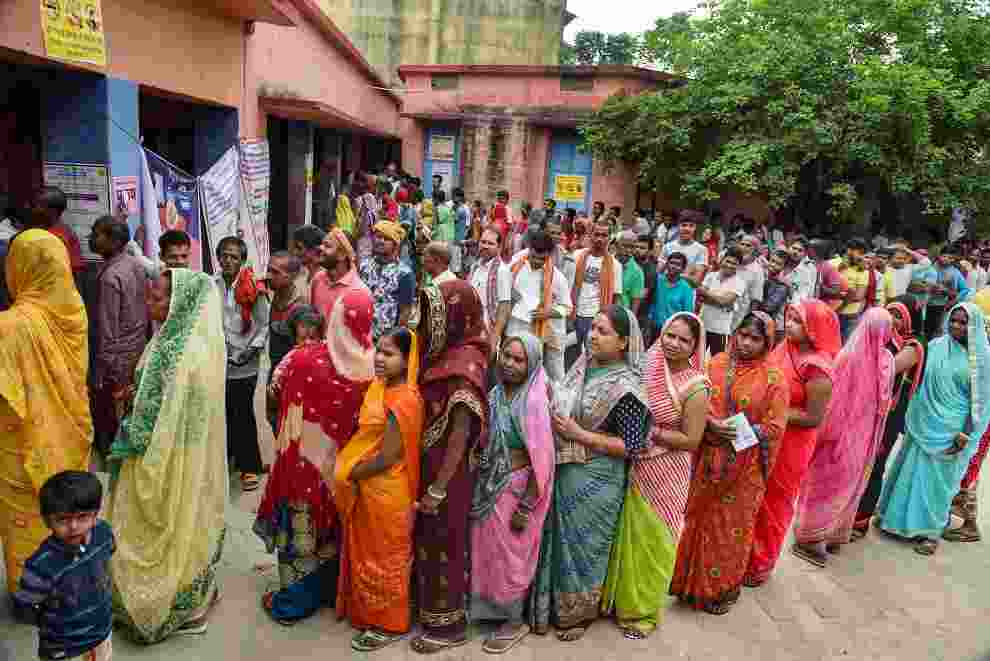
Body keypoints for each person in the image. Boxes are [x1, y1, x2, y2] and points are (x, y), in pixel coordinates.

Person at [108, 270, 227, 641]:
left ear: (179, 303)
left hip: (165, 457)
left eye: (157, 298)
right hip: (166, 451)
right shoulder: (169, 340)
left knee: (168, 522)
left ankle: (168, 605)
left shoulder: (183, 353)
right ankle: (184, 596)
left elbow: (159, 417)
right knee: (180, 522)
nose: (149, 303)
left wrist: (129, 431)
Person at [531, 306, 650, 641]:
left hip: (598, 480)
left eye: (603, 331)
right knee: (558, 542)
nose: (592, 336)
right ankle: (549, 606)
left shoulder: (627, 387)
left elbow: (631, 446)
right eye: (593, 328)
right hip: (566, 469)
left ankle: (579, 614)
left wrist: (578, 434)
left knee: (586, 547)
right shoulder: (582, 365)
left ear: (624, 342)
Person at [255, 289, 374, 624]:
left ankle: (292, 603)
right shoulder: (374, 364)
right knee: (334, 532)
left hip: (302, 462)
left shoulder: (301, 357)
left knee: (300, 530)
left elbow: (274, 394)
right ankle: (332, 590)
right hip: (345, 468)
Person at [670, 312, 788, 615]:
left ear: (767, 343)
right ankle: (687, 584)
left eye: (756, 338)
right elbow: (694, 404)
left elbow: (775, 427)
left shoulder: (774, 378)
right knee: (698, 520)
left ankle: (721, 590)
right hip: (709, 459)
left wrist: (735, 431)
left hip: (746, 470)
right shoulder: (716, 363)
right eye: (743, 334)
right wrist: (710, 424)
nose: (746, 343)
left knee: (729, 528)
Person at [602, 312, 709, 637]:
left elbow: (691, 440)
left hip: (667, 471)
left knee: (654, 540)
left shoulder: (695, 386)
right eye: (670, 335)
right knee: (627, 533)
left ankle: (643, 613)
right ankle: (620, 602)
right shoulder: (648, 363)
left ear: (695, 346)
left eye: (684, 340)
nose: (674, 344)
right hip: (635, 464)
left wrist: (652, 433)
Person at [0, 230, 92, 596]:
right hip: (70, 434)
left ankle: (30, 595)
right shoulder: (74, 310)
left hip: (21, 445)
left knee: (29, 519)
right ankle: (75, 581)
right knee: (72, 512)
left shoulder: (9, 326)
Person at [410, 280, 488, 654]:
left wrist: (439, 486)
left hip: (449, 474)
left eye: (432, 316)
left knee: (444, 542)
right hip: (430, 464)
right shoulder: (445, 352)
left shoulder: (465, 364)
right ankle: (426, 609)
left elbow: (460, 431)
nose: (424, 325)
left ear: (455, 317)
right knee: (426, 539)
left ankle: (448, 625)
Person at [876, 302, 990, 556]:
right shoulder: (936, 346)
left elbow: (979, 401)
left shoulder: (981, 360)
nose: (956, 326)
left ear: (974, 326)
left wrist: (965, 433)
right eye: (953, 320)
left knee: (938, 482)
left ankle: (930, 532)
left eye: (963, 322)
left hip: (953, 429)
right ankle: (894, 520)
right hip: (924, 419)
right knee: (910, 470)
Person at [335, 327, 423, 651]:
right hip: (375, 490)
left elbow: (388, 456)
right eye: (379, 351)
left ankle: (391, 624)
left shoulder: (404, 400)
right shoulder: (382, 389)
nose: (380, 359)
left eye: (390, 354)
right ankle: (372, 616)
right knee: (371, 556)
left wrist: (352, 472)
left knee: (388, 561)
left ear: (407, 358)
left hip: (388, 491)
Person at [469, 333, 555, 653]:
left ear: (532, 364)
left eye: (519, 360)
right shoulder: (495, 394)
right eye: (506, 355)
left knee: (512, 555)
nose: (509, 364)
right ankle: (491, 612)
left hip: (517, 488)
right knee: (488, 550)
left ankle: (514, 620)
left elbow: (541, 459)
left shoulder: (532, 402)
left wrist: (525, 506)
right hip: (491, 483)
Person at [792, 308, 897, 566]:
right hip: (841, 434)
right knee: (827, 483)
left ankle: (830, 534)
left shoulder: (886, 360)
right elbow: (834, 402)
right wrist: (826, 434)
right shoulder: (850, 358)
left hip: (864, 436)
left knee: (848, 485)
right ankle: (808, 538)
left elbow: (884, 403)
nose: (882, 334)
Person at [745, 300, 839, 586]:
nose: (790, 326)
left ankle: (761, 564)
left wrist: (773, 414)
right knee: (753, 495)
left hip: (791, 443)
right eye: (790, 318)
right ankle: (740, 554)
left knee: (775, 501)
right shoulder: (785, 347)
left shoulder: (818, 368)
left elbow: (813, 417)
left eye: (798, 321)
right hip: (766, 433)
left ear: (814, 328)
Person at [13, 471, 114, 661]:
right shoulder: (41, 566)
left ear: (96, 514)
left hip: (101, 634)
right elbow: (24, 606)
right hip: (64, 648)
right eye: (62, 519)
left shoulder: (103, 534)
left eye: (83, 516)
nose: (74, 526)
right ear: (47, 521)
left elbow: (108, 555)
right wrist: (54, 624)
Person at [853, 298, 924, 537]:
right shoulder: (884, 338)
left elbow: (890, 367)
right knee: (858, 461)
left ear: (910, 319)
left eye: (898, 315)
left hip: (890, 414)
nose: (892, 319)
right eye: (889, 312)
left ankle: (861, 519)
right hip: (867, 408)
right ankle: (848, 511)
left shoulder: (914, 344)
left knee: (875, 464)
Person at [88, 215, 149, 456]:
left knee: (112, 416)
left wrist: (103, 370)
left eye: (97, 233)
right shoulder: (134, 264)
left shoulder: (109, 277)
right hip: (137, 348)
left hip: (116, 358)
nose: (91, 238)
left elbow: (107, 329)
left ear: (113, 241)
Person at [214, 236, 270, 491]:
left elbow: (263, 325)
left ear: (242, 260)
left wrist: (249, 352)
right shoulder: (211, 285)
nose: (228, 260)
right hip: (217, 361)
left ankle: (250, 467)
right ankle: (227, 461)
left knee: (242, 413)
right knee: (221, 412)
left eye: (234, 256)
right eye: (224, 255)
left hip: (244, 364)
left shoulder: (253, 288)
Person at [506, 230, 572, 382]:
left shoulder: (557, 277)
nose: (536, 261)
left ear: (549, 254)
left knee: (531, 375)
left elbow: (567, 307)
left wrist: (547, 313)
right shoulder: (515, 266)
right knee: (509, 371)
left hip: (536, 333)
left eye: (541, 259)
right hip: (513, 328)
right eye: (533, 256)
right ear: (529, 249)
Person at [571, 219, 623, 353]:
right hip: (573, 314)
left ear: (610, 238)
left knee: (592, 354)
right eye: (597, 234)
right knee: (571, 354)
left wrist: (611, 321)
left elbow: (616, 296)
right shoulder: (577, 256)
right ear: (590, 235)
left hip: (596, 317)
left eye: (604, 235)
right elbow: (568, 286)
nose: (599, 239)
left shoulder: (615, 265)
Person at [359, 220, 416, 341]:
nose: (380, 241)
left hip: (385, 339)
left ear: (395, 244)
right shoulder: (364, 266)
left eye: (386, 238)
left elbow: (405, 311)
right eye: (378, 237)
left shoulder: (404, 273)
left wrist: (393, 340)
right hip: (361, 334)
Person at [310, 228, 366, 327]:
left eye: (327, 246)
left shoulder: (357, 290)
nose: (320, 248)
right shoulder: (318, 279)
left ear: (342, 255)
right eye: (322, 244)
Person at [696, 247, 747, 356]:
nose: (729, 265)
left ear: (738, 266)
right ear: (722, 260)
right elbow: (700, 297)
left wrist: (711, 297)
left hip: (721, 331)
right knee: (696, 360)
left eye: (734, 263)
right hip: (702, 326)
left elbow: (724, 301)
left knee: (717, 364)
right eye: (728, 261)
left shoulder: (739, 283)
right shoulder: (711, 276)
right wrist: (721, 301)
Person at [469, 227, 512, 354]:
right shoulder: (475, 266)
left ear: (499, 247)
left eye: (490, 243)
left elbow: (504, 307)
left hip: (487, 332)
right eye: (483, 242)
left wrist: (494, 338)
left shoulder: (502, 271)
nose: (485, 246)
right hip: (470, 329)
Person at [29, 186, 84, 284]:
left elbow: (75, 273)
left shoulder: (62, 237)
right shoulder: (33, 232)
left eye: (35, 205)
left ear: (51, 211)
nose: (29, 208)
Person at [265, 250, 307, 375]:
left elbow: (303, 351)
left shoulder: (300, 307)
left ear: (292, 276)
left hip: (293, 375)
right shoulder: (272, 296)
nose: (268, 276)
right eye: (269, 270)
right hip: (275, 370)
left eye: (275, 272)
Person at [830, 238, 871, 341]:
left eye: (863, 253)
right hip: (830, 312)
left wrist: (838, 295)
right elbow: (824, 286)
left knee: (847, 348)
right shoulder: (832, 264)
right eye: (859, 252)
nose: (861, 256)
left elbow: (859, 296)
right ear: (849, 250)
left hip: (850, 317)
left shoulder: (863, 270)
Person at [649, 252, 696, 339]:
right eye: (671, 263)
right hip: (652, 326)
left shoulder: (686, 288)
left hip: (672, 331)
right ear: (667, 264)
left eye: (678, 264)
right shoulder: (657, 280)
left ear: (683, 269)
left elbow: (687, 314)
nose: (673, 266)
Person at [924, 247, 969, 340]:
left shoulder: (955, 272)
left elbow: (965, 289)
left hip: (940, 306)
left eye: (950, 258)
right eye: (944, 256)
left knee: (935, 331)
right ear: (939, 256)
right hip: (924, 304)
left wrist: (954, 301)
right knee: (923, 329)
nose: (946, 259)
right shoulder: (930, 267)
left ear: (953, 259)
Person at [660, 210, 708, 279]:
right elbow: (659, 273)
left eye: (691, 226)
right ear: (678, 227)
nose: (687, 229)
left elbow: (696, 280)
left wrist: (672, 271)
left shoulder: (702, 250)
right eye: (684, 225)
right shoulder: (667, 247)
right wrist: (688, 272)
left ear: (695, 228)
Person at [732, 235, 766, 330]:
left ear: (755, 250)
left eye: (748, 245)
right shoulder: (732, 262)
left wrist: (748, 323)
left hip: (740, 317)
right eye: (742, 244)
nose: (744, 248)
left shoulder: (757, 271)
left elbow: (755, 300)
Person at [760, 249, 792, 341]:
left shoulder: (782, 285)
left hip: (775, 327)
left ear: (785, 267)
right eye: (772, 261)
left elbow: (769, 307)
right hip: (765, 322)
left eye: (778, 264)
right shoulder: (765, 276)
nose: (773, 265)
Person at [290, 224, 326, 302]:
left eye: (299, 248)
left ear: (315, 250)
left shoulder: (326, 279)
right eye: (294, 247)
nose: (294, 252)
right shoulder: (297, 274)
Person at [615, 230, 646, 315]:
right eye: (625, 246)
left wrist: (631, 321)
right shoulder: (608, 262)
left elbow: (635, 302)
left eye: (632, 247)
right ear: (617, 245)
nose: (628, 250)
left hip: (621, 314)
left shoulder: (637, 272)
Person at [353, 173, 380, 261]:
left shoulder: (358, 200)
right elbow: (374, 218)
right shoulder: (369, 198)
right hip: (368, 236)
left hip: (363, 236)